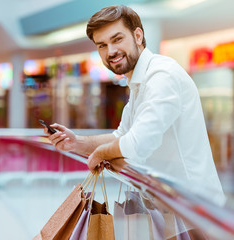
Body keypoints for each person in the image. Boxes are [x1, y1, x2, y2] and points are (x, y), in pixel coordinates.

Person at [44, 5, 226, 206]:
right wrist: (76, 142)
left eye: (117, 39)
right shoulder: (139, 82)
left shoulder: (162, 75)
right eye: (102, 45)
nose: (111, 51)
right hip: (170, 206)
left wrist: (101, 154)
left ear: (138, 36)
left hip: (198, 213)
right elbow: (121, 137)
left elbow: (137, 143)